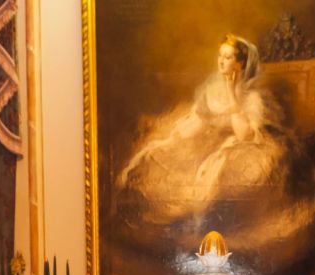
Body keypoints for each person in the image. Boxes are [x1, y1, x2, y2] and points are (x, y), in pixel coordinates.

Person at [116, 34, 297, 226]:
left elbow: (244, 136)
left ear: (240, 64)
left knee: (220, 176)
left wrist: (231, 93)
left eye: (228, 57)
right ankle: (182, 222)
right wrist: (173, 139)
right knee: (162, 158)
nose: (221, 61)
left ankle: (205, 222)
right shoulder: (212, 92)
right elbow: (200, 120)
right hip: (211, 142)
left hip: (242, 149)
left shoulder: (253, 98)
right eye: (220, 55)